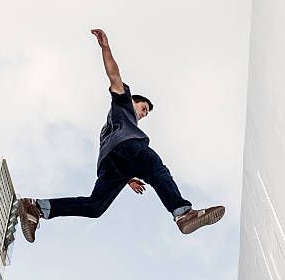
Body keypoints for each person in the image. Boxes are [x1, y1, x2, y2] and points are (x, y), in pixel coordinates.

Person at [18, 28, 225, 243]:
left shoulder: (110, 126)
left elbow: (117, 154)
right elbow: (113, 75)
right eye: (143, 108)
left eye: (145, 112)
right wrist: (105, 48)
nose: (144, 114)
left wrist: (127, 177)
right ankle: (183, 213)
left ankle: (36, 207)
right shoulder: (123, 102)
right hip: (129, 150)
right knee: (155, 167)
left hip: (111, 164)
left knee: (95, 206)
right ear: (132, 101)